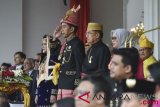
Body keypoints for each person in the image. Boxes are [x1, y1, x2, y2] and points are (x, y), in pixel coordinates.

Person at [57, 5, 85, 100]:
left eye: (64, 27)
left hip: (71, 84)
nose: (62, 30)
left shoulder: (77, 44)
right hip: (62, 83)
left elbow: (79, 65)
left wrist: (77, 85)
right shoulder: (66, 43)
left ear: (72, 29)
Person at [35, 35, 61, 106]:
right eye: (42, 44)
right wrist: (37, 93)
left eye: (45, 44)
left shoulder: (53, 57)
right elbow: (39, 77)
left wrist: (53, 93)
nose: (43, 46)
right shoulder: (43, 58)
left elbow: (55, 76)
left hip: (49, 89)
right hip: (41, 89)